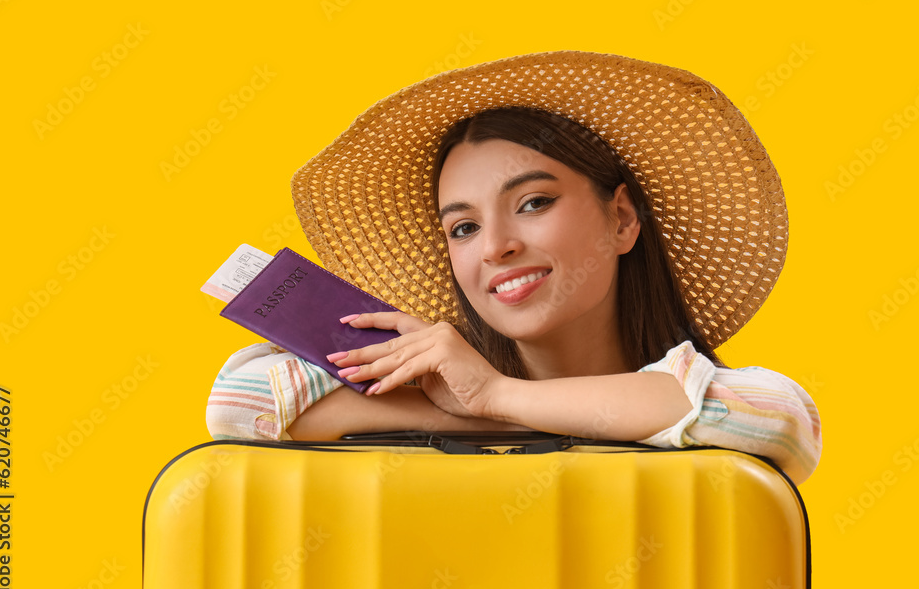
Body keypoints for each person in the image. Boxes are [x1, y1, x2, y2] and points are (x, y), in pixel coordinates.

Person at [207, 51, 822, 484]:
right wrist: (475, 411)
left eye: (533, 203)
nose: (495, 247)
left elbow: (779, 418)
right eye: (464, 228)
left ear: (621, 219)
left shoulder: (716, 397)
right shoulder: (452, 394)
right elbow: (242, 399)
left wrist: (497, 396)